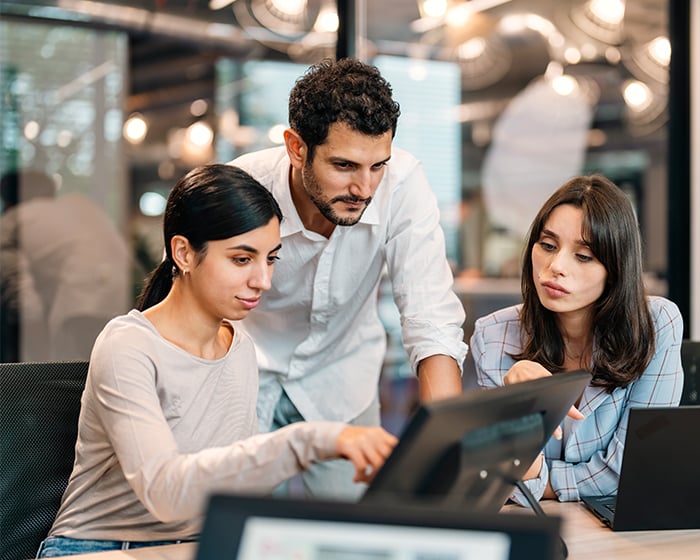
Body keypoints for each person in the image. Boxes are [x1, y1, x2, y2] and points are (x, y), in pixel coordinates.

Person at [36, 164, 397, 558]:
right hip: (100, 548)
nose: (264, 280)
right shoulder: (128, 347)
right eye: (242, 260)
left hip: (194, 546)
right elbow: (166, 493)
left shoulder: (239, 346)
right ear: (184, 253)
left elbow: (228, 481)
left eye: (271, 259)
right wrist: (312, 440)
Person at [229, 57, 468, 499]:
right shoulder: (244, 187)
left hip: (341, 377)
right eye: (344, 166)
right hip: (244, 377)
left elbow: (430, 317)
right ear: (296, 147)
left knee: (358, 533)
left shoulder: (402, 185)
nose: (365, 188)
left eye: (377, 165)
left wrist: (447, 447)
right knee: (243, 531)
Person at [469, 174, 683, 506]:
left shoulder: (656, 324)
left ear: (615, 268)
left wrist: (539, 480)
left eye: (583, 256)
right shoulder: (493, 335)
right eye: (548, 245)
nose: (555, 267)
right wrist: (519, 406)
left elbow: (632, 471)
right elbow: (498, 476)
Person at [0, 170, 131, 362]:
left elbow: (17, 286)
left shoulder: (13, 220)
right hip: (119, 296)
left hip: (78, 304)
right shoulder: (79, 207)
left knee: (67, 375)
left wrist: (32, 326)